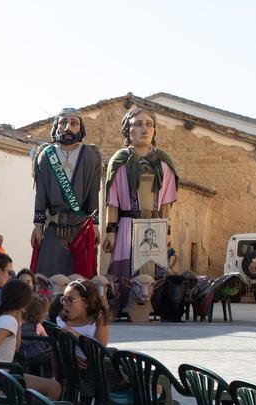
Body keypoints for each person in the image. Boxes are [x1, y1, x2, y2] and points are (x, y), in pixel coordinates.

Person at [103, 106, 179, 311]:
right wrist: (111, 232)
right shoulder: (119, 161)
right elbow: (113, 200)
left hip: (156, 226)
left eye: (149, 124)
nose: (144, 129)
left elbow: (166, 204)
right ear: (128, 130)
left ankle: (154, 307)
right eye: (138, 124)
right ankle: (121, 306)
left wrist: (168, 231)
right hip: (127, 225)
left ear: (154, 130)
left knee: (154, 268)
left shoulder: (163, 162)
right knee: (125, 271)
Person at [31, 108, 103, 278]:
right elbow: (40, 194)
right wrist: (38, 225)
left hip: (80, 228)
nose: (68, 127)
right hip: (54, 226)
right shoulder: (45, 155)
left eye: (74, 123)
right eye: (63, 122)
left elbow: (93, 193)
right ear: (56, 126)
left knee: (80, 279)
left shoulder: (90, 156)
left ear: (81, 128)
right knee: (48, 276)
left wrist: (95, 225)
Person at [0, 280, 62, 399]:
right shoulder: (8, 321)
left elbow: (17, 347)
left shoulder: (6, 318)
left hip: (4, 372)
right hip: (1, 375)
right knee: (54, 387)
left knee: (52, 387)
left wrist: (18, 317)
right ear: (25, 303)